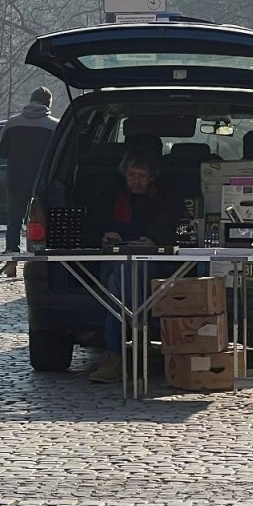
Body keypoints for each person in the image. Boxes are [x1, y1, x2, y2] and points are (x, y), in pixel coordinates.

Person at [90, 147, 178, 385]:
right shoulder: (111, 196)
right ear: (124, 174)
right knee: (119, 273)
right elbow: (92, 226)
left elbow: (178, 230)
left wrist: (155, 241)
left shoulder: (164, 199)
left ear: (151, 177)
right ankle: (139, 331)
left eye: (141, 176)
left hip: (152, 261)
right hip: (114, 258)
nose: (135, 181)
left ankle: (115, 354)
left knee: (117, 280)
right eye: (131, 175)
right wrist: (105, 234)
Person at [0, 87, 58, 275]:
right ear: (48, 104)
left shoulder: (12, 123)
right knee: (43, 222)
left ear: (30, 100)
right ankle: (39, 261)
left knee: (14, 221)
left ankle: (11, 260)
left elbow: (2, 152)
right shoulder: (54, 126)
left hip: (16, 180)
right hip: (42, 183)